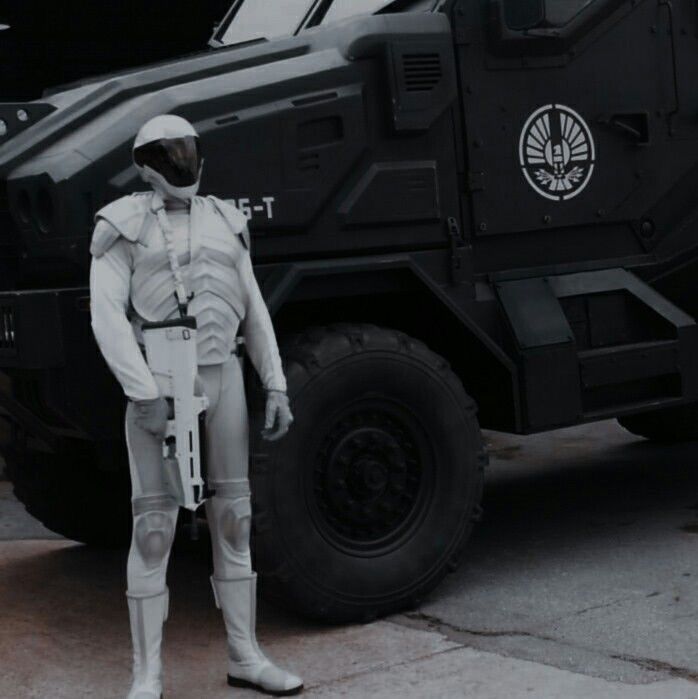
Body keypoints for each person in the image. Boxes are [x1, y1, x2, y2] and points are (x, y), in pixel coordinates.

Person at [89, 114, 303, 699]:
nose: (181, 160)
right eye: (168, 152)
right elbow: (106, 315)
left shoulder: (225, 219)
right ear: (145, 164)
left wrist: (276, 382)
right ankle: (147, 673)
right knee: (154, 525)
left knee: (234, 517)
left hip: (223, 371)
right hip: (158, 375)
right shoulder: (122, 223)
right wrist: (142, 391)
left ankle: (245, 654)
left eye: (187, 149)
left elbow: (254, 307)